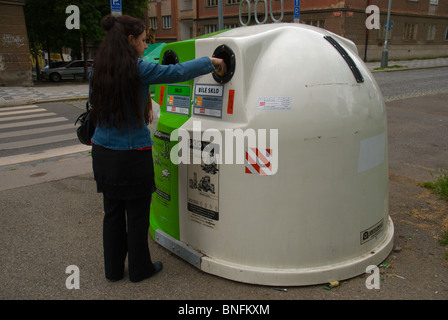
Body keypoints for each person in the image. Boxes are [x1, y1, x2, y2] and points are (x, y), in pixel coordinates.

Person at [89, 14, 226, 283]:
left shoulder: (98, 68)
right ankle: (140, 269)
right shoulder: (137, 69)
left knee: (112, 213)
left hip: (103, 152)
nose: (144, 46)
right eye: (141, 41)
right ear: (130, 40)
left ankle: (114, 271)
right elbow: (175, 72)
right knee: (137, 215)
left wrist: (142, 107)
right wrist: (209, 62)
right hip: (131, 156)